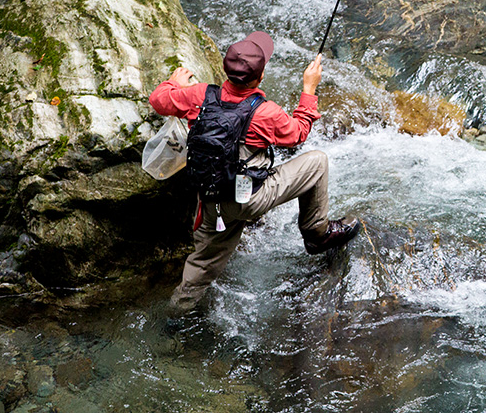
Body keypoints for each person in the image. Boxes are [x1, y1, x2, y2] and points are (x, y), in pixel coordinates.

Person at [149, 30, 359, 314]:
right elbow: (298, 133)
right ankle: (317, 234)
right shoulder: (266, 112)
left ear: (225, 70)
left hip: (210, 198)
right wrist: (309, 89)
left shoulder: (199, 96)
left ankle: (176, 314)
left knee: (200, 265)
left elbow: (159, 100)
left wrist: (173, 83)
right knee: (317, 161)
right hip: (249, 199)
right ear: (259, 79)